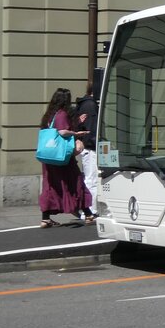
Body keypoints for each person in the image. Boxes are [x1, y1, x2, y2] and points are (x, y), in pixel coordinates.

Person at [38, 88, 92, 228]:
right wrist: (76, 132)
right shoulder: (62, 114)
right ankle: (88, 214)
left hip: (49, 157)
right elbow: (62, 131)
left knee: (51, 186)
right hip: (62, 158)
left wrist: (76, 122)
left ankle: (46, 218)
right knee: (75, 182)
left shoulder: (49, 115)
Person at [73, 83, 99, 221]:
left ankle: (88, 209)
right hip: (90, 147)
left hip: (87, 146)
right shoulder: (91, 104)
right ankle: (90, 211)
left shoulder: (84, 103)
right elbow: (91, 129)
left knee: (90, 178)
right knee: (91, 179)